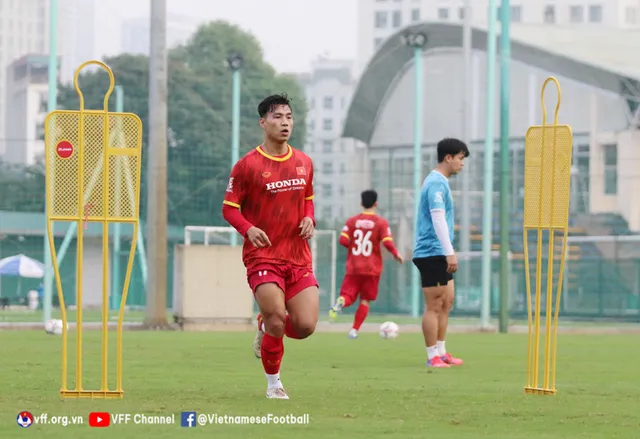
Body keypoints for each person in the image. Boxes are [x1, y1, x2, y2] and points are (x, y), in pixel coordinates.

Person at [222, 94, 318, 399]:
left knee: (304, 326)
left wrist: (309, 220)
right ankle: (274, 384)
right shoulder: (247, 166)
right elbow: (229, 208)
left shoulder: (304, 162)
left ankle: (265, 327)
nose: (285, 122)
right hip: (263, 256)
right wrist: (248, 229)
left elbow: (308, 201)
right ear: (263, 123)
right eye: (277, 117)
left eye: (289, 116)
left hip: (298, 256)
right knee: (278, 316)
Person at [412, 137, 469, 368]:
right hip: (431, 252)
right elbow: (437, 218)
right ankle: (431, 355)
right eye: (460, 158)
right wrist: (449, 252)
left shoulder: (441, 182)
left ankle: (442, 351)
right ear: (448, 157)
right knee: (434, 305)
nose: (462, 164)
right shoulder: (436, 182)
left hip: (439, 251)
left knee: (447, 302)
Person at [329, 189, 404, 338]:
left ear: (361, 203)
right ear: (376, 204)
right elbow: (387, 242)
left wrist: (354, 248)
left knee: (347, 295)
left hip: (354, 266)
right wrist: (396, 254)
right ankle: (354, 330)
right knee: (365, 300)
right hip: (372, 268)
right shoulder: (380, 223)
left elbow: (343, 240)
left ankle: (341, 302)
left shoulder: (352, 221)